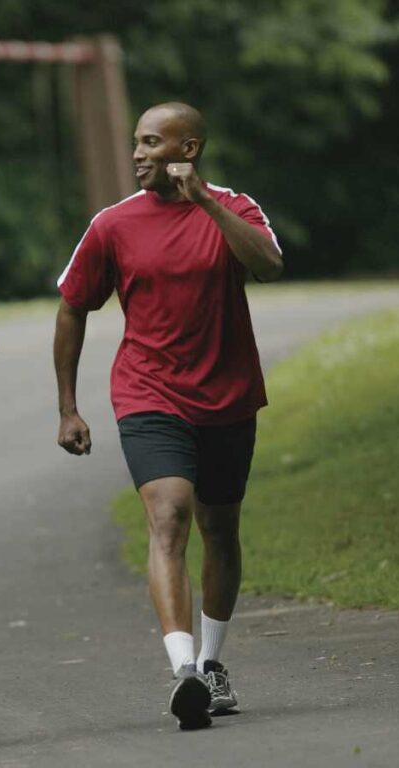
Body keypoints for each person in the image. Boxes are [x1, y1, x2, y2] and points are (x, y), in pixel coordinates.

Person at [53, 103, 284, 730]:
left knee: (221, 526)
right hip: (148, 391)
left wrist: (204, 204)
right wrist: (69, 406)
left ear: (191, 147)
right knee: (169, 514)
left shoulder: (235, 208)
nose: (138, 154)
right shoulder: (113, 224)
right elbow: (73, 305)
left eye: (152, 143)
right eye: (136, 142)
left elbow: (268, 266)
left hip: (229, 395)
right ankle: (182, 667)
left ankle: (212, 664)